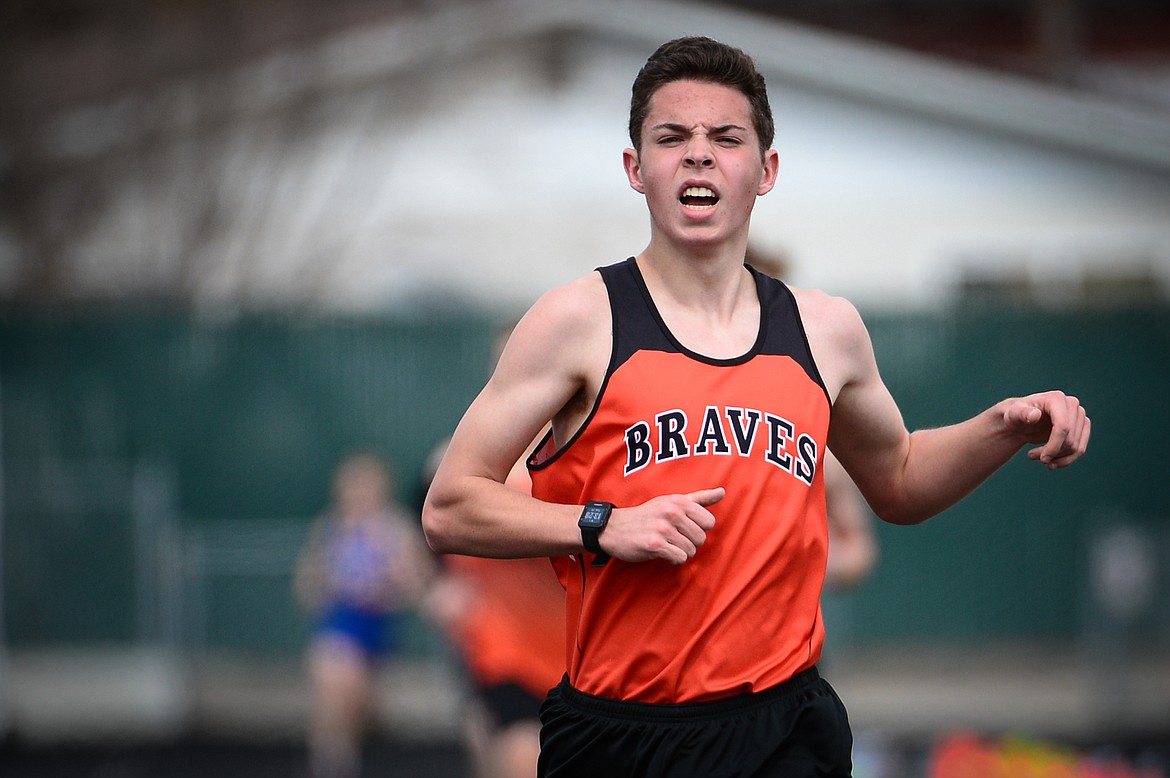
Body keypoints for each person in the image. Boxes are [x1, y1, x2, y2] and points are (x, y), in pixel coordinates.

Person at [422, 36, 1090, 778]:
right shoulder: (577, 321)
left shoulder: (825, 330)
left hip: (783, 727)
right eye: (672, 137)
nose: (698, 155)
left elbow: (899, 479)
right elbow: (450, 507)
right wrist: (600, 525)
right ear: (635, 169)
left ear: (765, 171)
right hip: (621, 734)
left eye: (726, 138)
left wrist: (1001, 426)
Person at [294, 453, 434, 778]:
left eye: (366, 487)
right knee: (334, 680)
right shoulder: (331, 527)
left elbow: (418, 581)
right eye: (352, 487)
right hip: (340, 622)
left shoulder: (395, 528)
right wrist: (323, 587)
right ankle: (329, 759)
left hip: (378, 624)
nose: (358, 495)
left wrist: (397, 582)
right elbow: (307, 582)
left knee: (359, 705)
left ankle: (346, 752)